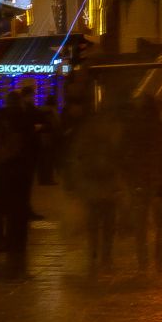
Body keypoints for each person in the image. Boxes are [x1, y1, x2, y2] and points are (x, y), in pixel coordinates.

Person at [0, 94, 41, 278]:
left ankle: (8, 240)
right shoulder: (24, 119)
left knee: (6, 206)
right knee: (20, 208)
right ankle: (18, 243)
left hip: (5, 169)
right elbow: (33, 143)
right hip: (22, 169)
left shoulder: (1, 117)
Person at [66, 98, 124, 276]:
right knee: (106, 224)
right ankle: (103, 256)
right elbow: (117, 163)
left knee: (96, 223)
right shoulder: (109, 142)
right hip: (103, 188)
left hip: (95, 189)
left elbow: (78, 161)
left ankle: (95, 254)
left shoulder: (88, 140)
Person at [122, 96, 162, 273]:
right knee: (161, 226)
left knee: (141, 226)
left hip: (140, 184)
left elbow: (125, 157)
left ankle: (143, 263)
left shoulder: (133, 131)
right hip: (159, 185)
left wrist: (130, 180)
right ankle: (160, 263)